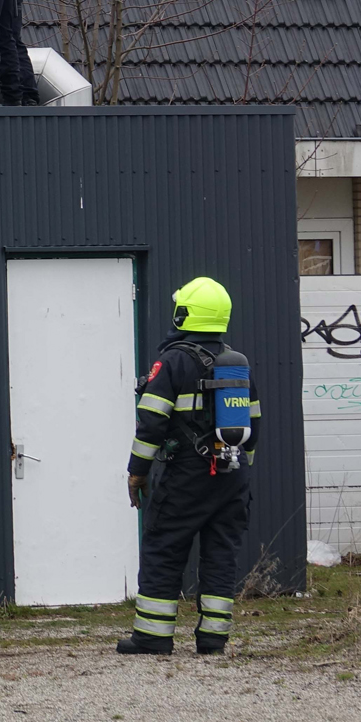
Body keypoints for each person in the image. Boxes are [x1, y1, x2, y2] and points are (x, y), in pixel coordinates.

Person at [120, 277, 260, 657]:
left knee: (164, 547)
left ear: (184, 314)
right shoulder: (236, 364)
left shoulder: (174, 361)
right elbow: (254, 426)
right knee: (221, 553)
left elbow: (150, 422)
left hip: (187, 474)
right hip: (233, 477)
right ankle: (213, 640)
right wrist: (239, 476)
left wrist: (137, 471)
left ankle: (152, 637)